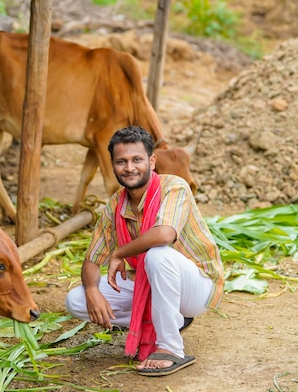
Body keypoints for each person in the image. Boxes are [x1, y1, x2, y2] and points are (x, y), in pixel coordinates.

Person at [65, 126, 224, 376]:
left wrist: (118, 253)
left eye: (137, 159)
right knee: (76, 300)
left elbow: (164, 234)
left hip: (197, 286)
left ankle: (171, 348)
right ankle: (169, 322)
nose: (129, 168)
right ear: (113, 165)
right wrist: (93, 290)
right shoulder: (115, 204)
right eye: (121, 162)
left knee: (157, 254)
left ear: (151, 160)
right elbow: (92, 260)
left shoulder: (174, 187)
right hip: (149, 282)